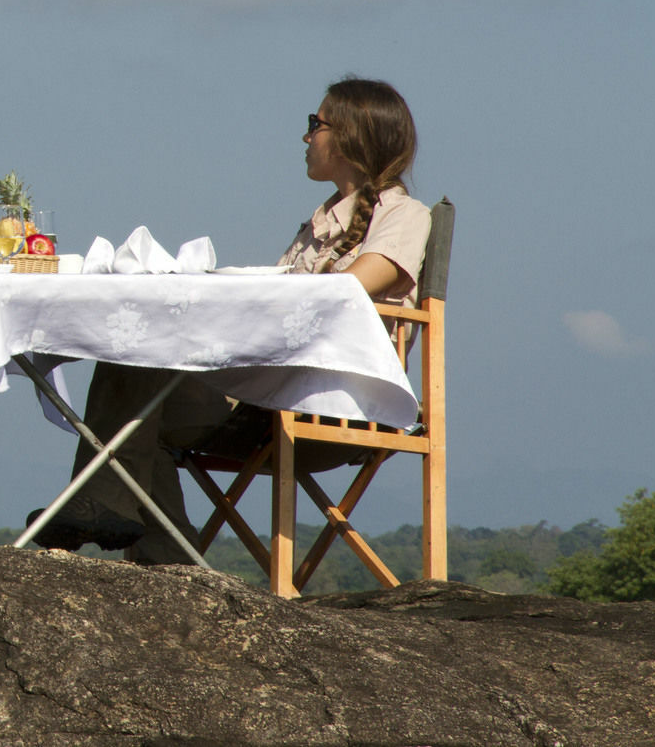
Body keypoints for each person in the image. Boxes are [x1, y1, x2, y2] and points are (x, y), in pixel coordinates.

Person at [32, 77, 432, 562]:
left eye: (316, 125)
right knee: (132, 367)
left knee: (139, 388)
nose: (307, 138)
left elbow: (353, 285)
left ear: (351, 135)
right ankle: (166, 564)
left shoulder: (405, 214)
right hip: (269, 394)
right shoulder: (320, 221)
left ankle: (99, 507)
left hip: (335, 405)